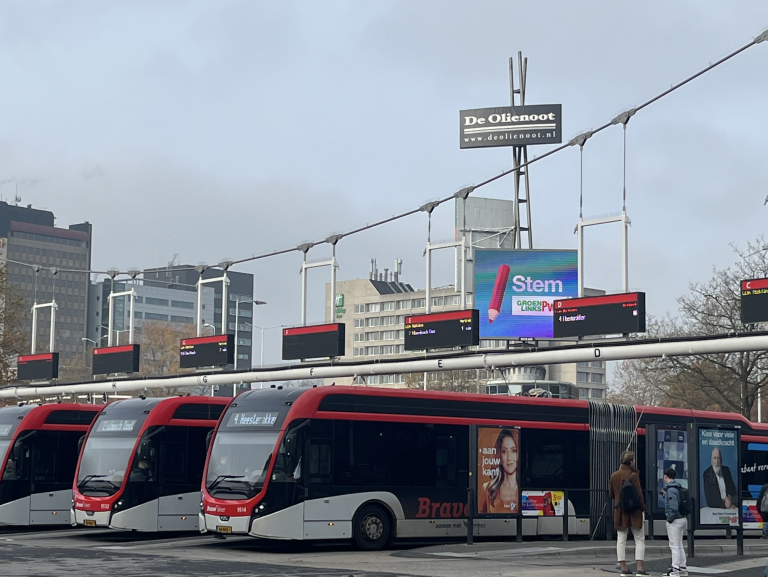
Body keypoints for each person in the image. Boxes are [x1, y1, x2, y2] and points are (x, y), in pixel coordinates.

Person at [609, 451, 647, 577]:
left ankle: (624, 569)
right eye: (634, 460)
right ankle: (640, 569)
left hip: (620, 511)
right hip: (634, 511)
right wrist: (642, 508)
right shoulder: (634, 475)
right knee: (639, 539)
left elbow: (611, 495)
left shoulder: (614, 475)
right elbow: (639, 495)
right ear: (631, 461)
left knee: (621, 539)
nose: (635, 462)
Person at [478, 429, 519, 514]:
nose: (509, 458)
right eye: (504, 451)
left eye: (513, 451)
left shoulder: (527, 490)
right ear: (499, 455)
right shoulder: (487, 489)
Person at [661, 467, 688, 577]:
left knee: (674, 545)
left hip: (675, 520)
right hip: (682, 518)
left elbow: (673, 507)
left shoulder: (671, 490)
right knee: (679, 544)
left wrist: (669, 518)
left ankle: (675, 569)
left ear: (665, 476)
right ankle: (682, 568)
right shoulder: (677, 487)